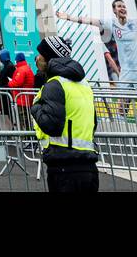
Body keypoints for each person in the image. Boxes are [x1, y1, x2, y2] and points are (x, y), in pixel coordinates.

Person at [29, 36, 99, 192]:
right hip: (88, 165)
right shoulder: (84, 84)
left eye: (40, 54)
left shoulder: (54, 84)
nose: (37, 58)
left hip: (64, 166)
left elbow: (51, 125)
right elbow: (93, 122)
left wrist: (35, 108)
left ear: (48, 58)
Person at [57, 0, 137, 85]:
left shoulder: (134, 23)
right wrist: (68, 17)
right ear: (114, 10)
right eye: (119, 6)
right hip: (126, 71)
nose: (123, 8)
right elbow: (90, 21)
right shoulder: (111, 23)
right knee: (123, 96)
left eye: (124, 6)